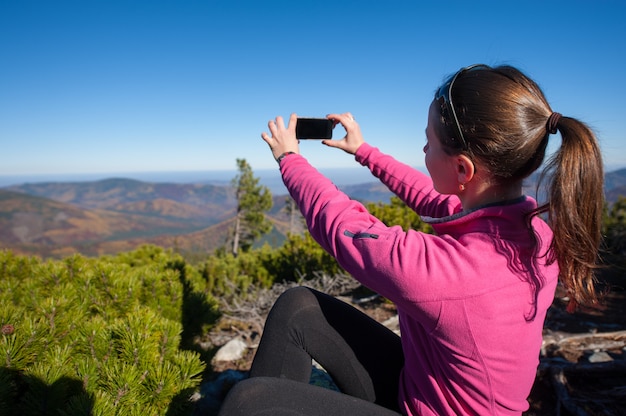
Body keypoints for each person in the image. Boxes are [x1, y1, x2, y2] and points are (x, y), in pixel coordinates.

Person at [216, 64, 604, 415]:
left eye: (428, 141)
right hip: (424, 390)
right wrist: (364, 152)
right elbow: (437, 201)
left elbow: (341, 226)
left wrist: (290, 159)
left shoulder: (455, 272)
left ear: (463, 168)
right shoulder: (530, 228)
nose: (423, 150)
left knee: (248, 403)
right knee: (298, 307)